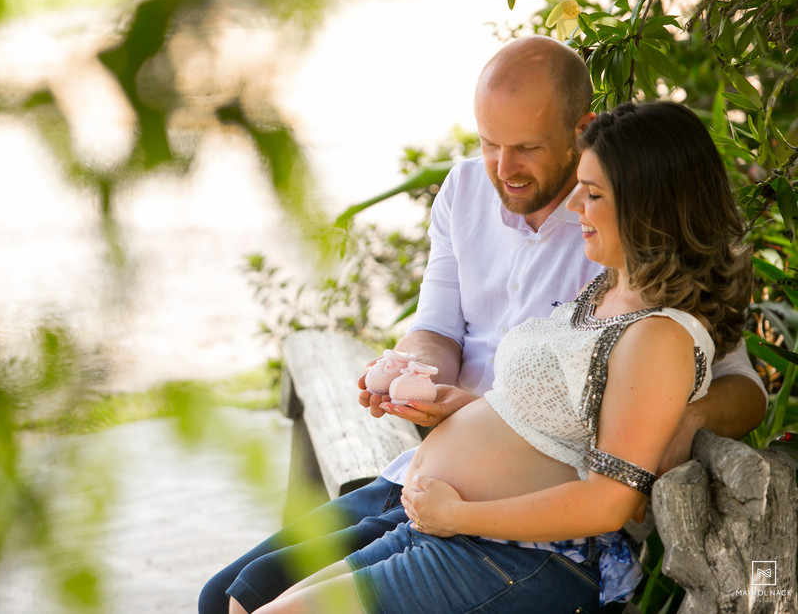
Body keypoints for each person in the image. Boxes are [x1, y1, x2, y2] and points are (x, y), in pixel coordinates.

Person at [198, 36, 767, 614]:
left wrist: (677, 422)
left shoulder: (642, 295)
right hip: (428, 492)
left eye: (526, 148)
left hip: (512, 538)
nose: (503, 167)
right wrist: (417, 377)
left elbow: (722, 397)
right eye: (489, 144)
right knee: (226, 598)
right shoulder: (581, 267)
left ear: (580, 131)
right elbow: (446, 336)